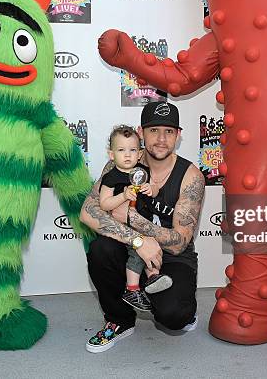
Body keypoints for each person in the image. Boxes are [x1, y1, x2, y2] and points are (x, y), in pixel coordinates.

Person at [80, 101, 205, 353]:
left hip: (171, 256)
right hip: (130, 249)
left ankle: (162, 300)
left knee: (174, 316)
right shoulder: (123, 162)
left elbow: (180, 241)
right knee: (100, 249)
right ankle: (119, 320)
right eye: (153, 130)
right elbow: (88, 212)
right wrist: (138, 241)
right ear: (141, 132)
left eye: (169, 131)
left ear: (178, 135)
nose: (161, 139)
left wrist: (133, 219)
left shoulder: (191, 176)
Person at [99, 125, 173, 312]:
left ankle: (153, 277)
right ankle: (132, 289)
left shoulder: (142, 171)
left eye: (132, 150)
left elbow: (155, 188)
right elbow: (104, 204)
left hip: (145, 225)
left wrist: (151, 189)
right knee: (136, 253)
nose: (127, 155)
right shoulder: (111, 177)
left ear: (139, 154)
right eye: (121, 150)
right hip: (123, 228)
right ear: (111, 154)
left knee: (154, 248)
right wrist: (123, 196)